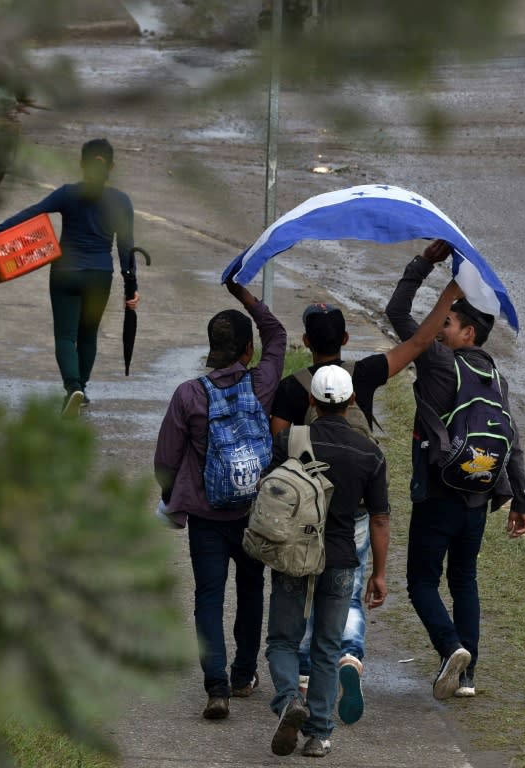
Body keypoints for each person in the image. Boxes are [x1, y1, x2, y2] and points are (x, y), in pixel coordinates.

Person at [270, 239, 463, 723]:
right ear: (346, 339)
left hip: (304, 508)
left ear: (307, 343)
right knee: (347, 587)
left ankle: (309, 673)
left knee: (304, 584)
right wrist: (450, 292)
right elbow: (419, 343)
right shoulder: (366, 374)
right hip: (355, 507)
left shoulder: (292, 391)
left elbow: (277, 448)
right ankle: (349, 655)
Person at [385, 247, 525, 699]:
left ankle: (451, 649)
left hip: (437, 494)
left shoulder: (437, 361)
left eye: (447, 322)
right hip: (477, 499)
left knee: (421, 583)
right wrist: (520, 502)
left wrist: (424, 263)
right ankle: (466, 677)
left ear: (468, 331)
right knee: (464, 580)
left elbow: (397, 312)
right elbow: (514, 440)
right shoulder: (495, 378)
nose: (439, 326)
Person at [154, 279, 287, 721]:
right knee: (251, 591)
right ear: (246, 351)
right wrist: (247, 297)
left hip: (207, 516)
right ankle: (244, 675)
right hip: (253, 513)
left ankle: (216, 687)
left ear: (212, 348)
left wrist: (170, 497)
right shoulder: (262, 384)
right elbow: (279, 336)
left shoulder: (189, 395)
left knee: (209, 596)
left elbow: (166, 460)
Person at [266, 364, 389, 758]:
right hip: (340, 559)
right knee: (327, 645)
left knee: (283, 640)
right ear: (352, 401)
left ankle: (289, 700)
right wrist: (379, 574)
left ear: (310, 402)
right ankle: (319, 734)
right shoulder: (369, 452)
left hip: (293, 555)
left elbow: (269, 492)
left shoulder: (289, 440)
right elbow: (380, 517)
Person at [0, 138, 138, 417]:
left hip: (65, 273)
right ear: (112, 166)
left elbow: (32, 212)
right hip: (100, 276)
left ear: (81, 164)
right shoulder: (120, 201)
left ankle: (73, 388)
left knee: (65, 336)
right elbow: (126, 247)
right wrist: (131, 288)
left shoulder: (68, 194)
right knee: (88, 334)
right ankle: (82, 389)